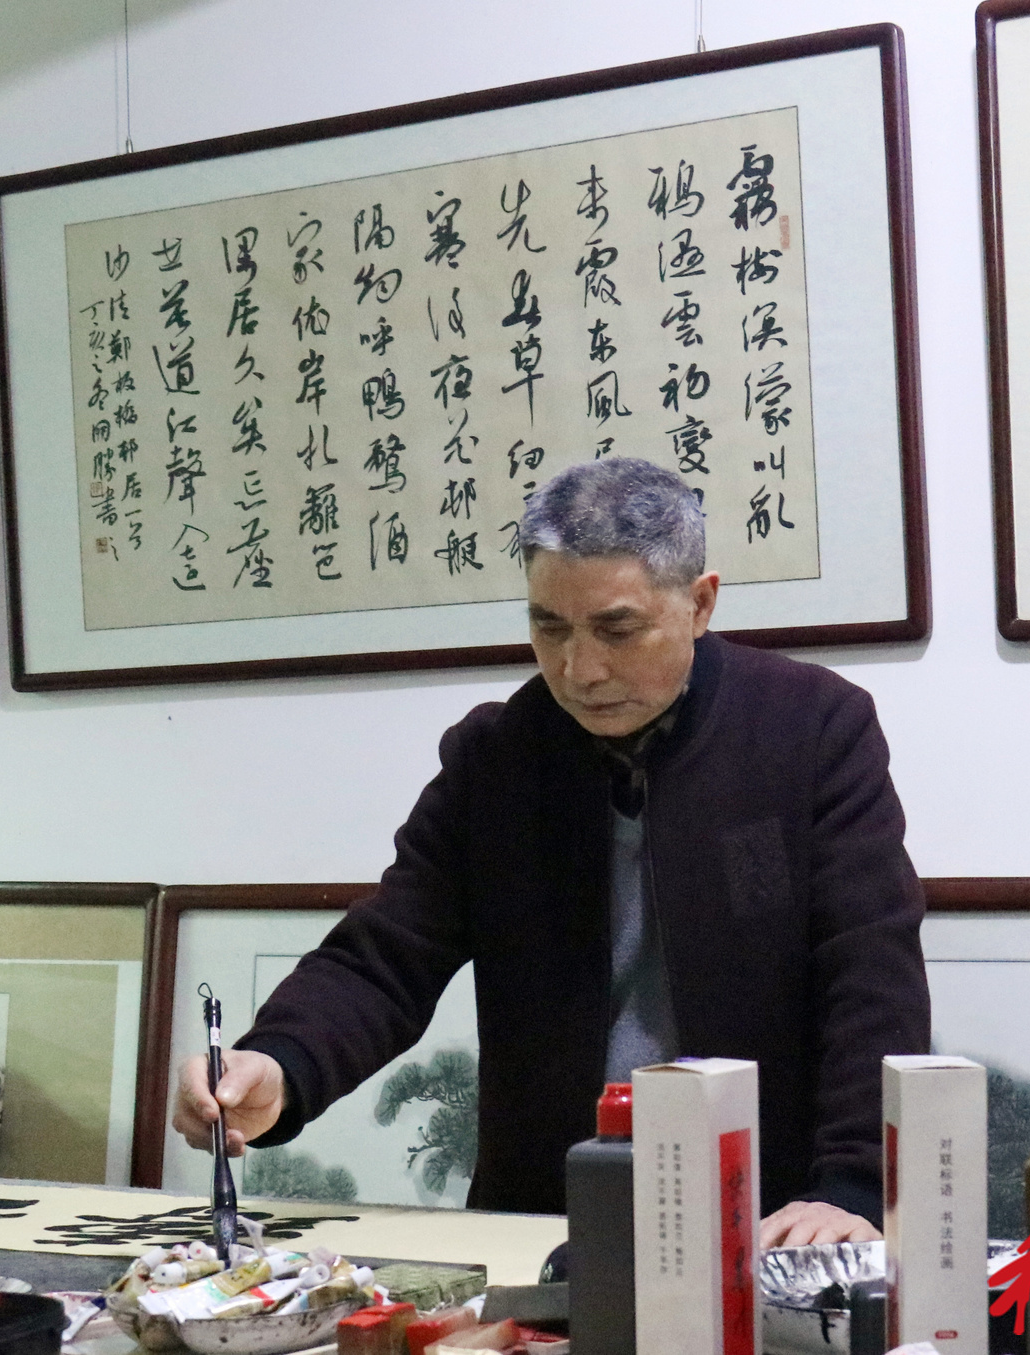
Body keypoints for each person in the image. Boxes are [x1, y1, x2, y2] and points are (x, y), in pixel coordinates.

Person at [172, 456, 929, 1246]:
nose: (580, 669)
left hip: (772, 1211)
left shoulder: (810, 730)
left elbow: (869, 969)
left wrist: (853, 1185)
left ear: (700, 603)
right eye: (550, 627)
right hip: (548, 1214)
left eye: (617, 629)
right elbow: (386, 955)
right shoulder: (497, 757)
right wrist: (280, 1063)